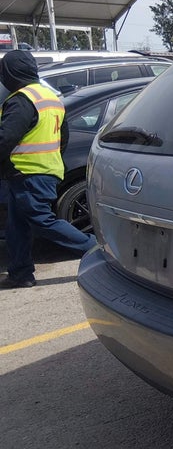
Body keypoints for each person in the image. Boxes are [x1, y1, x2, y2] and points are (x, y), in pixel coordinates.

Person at [0, 50, 96, 288]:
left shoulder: (22, 100)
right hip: (36, 172)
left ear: (11, 73)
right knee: (17, 225)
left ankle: (96, 248)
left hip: (28, 173)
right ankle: (20, 273)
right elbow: (63, 138)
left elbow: (5, 138)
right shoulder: (51, 97)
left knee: (42, 221)